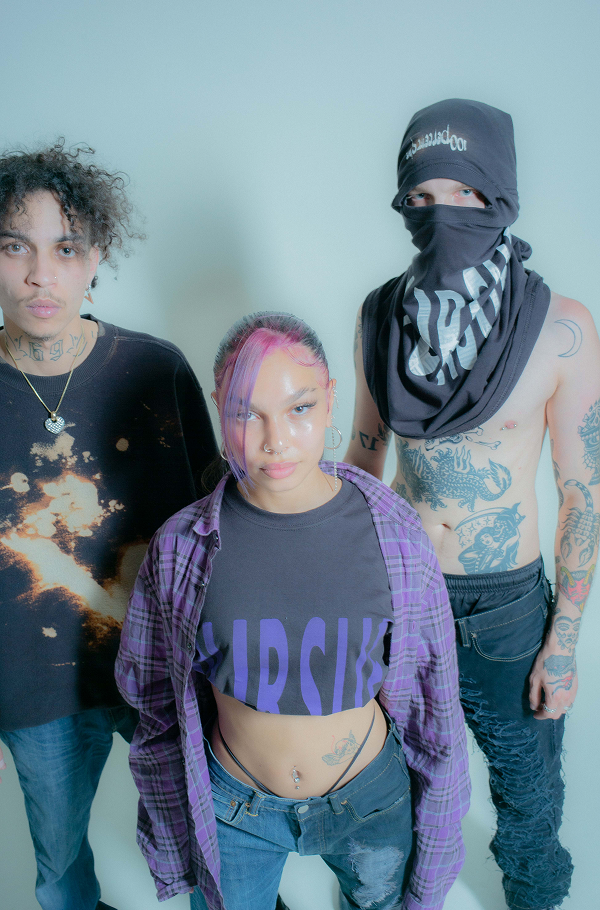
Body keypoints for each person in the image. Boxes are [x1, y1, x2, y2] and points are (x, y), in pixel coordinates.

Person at [115, 311, 470, 910]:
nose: (274, 440)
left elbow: (435, 698)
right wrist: (169, 829)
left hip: (370, 799)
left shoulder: (394, 531)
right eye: (246, 412)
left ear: (331, 401)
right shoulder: (181, 545)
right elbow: (152, 700)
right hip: (234, 809)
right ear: (218, 409)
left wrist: (437, 852)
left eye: (299, 408)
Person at [345, 98, 600, 910]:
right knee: (396, 784)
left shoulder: (561, 328)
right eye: (421, 197)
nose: (441, 213)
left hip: (507, 607)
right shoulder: (380, 316)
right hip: (402, 590)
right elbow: (363, 460)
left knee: (529, 793)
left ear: (499, 194)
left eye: (462, 193)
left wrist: (564, 641)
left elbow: (583, 492)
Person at [0, 142, 217, 910]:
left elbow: (217, 520)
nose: (41, 274)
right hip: (30, 688)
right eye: (14, 246)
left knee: (217, 849)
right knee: (60, 875)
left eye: (65, 248)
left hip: (163, 667)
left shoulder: (155, 371)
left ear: (96, 257)